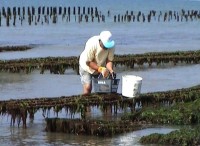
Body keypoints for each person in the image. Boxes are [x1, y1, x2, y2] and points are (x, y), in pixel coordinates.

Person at [79, 30, 116, 95]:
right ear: (100, 41)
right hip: (86, 66)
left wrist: (111, 70)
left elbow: (109, 60)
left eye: (108, 46)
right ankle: (86, 104)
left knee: (103, 88)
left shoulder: (111, 46)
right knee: (88, 87)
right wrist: (101, 69)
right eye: (105, 46)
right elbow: (88, 62)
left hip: (100, 66)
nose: (107, 48)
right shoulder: (92, 44)